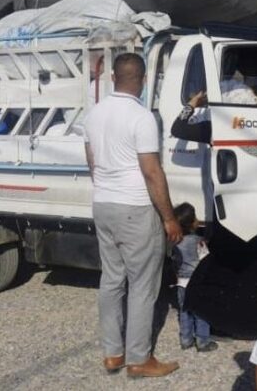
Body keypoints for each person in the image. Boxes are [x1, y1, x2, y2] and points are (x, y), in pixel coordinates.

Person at [83, 52, 182, 378]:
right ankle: (139, 359)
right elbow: (151, 171)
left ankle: (113, 353)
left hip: (103, 203)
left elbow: (91, 160)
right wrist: (169, 217)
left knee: (111, 279)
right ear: (143, 80)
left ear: (113, 77)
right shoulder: (142, 117)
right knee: (142, 284)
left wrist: (106, 188)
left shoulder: (94, 114)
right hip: (135, 207)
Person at [171, 202, 218, 352]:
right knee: (200, 312)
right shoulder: (199, 241)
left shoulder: (175, 242)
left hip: (181, 283)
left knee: (184, 311)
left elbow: (174, 262)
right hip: (197, 283)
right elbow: (206, 261)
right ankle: (202, 342)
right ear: (192, 223)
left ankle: (186, 340)